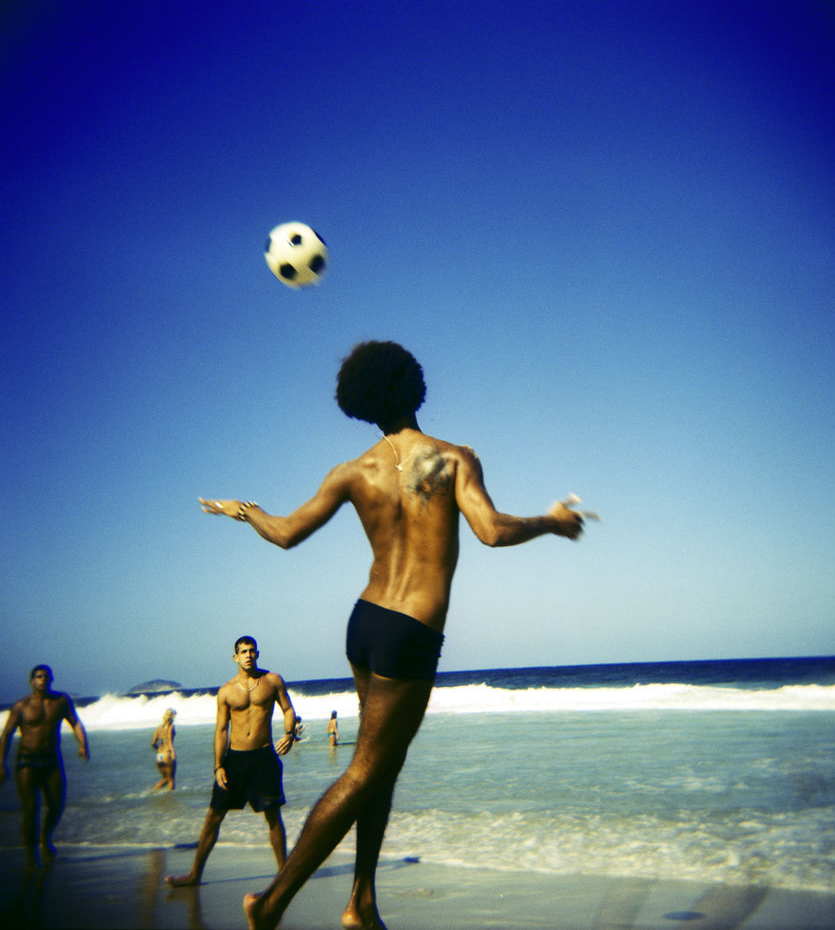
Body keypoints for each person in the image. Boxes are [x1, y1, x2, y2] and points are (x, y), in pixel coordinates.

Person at [198, 340, 588, 930]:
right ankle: (271, 902)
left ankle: (362, 902)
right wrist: (553, 522)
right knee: (365, 770)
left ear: (359, 401)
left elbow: (285, 533)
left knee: (381, 765)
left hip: (365, 622)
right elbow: (490, 530)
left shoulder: (353, 472)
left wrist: (244, 509)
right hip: (411, 632)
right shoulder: (453, 458)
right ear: (413, 385)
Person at [165, 636, 296, 886]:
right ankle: (194, 874)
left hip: (263, 758)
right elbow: (221, 730)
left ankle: (284, 876)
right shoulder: (226, 691)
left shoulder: (272, 681)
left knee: (273, 817)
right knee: (213, 816)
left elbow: (288, 710)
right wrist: (218, 765)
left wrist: (289, 734)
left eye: (251, 651)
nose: (248, 655)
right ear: (235, 657)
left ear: (257, 654)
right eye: (243, 651)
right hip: (235, 760)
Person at [0, 664, 90, 866]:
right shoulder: (21, 706)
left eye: (46, 676)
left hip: (51, 760)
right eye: (38, 676)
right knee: (30, 809)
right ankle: (31, 855)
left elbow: (75, 723)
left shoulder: (61, 701)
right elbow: (6, 735)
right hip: (27, 761)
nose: (43, 679)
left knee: (56, 805)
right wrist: (1, 764)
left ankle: (45, 837)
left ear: (51, 679)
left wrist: (83, 745)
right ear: (31, 681)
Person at [151, 708, 177, 791]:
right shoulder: (171, 727)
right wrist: (173, 752)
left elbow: (153, 743)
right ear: (172, 717)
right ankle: (171, 796)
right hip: (167, 754)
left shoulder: (159, 728)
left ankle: (152, 792)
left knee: (165, 778)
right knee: (171, 779)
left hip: (159, 756)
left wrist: (159, 749)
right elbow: (169, 740)